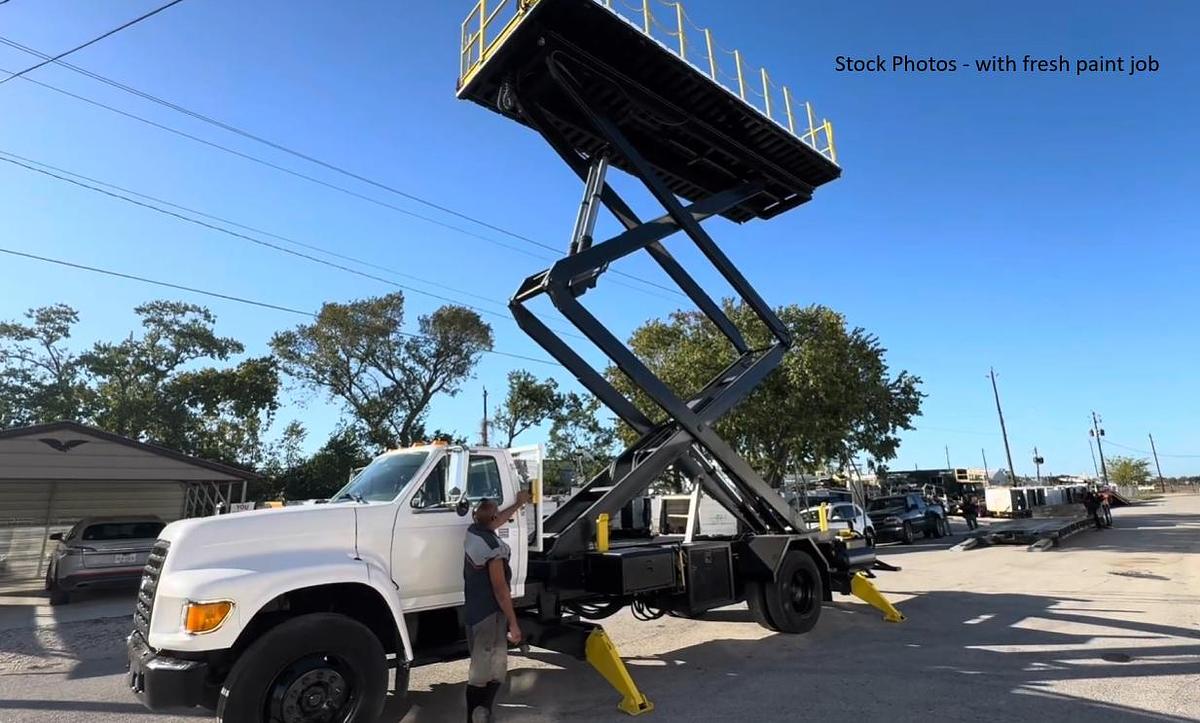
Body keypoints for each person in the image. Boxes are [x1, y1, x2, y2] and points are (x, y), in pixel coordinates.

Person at [463, 491, 531, 723]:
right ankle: (476, 717)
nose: (500, 518)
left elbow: (495, 520)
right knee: (488, 672)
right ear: (491, 520)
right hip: (490, 615)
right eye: (496, 514)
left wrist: (518, 504)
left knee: (484, 669)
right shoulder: (492, 547)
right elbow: (501, 590)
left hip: (474, 612)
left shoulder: (474, 533)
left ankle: (482, 715)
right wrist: (513, 623)